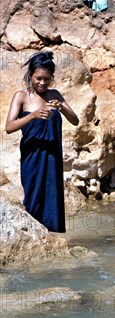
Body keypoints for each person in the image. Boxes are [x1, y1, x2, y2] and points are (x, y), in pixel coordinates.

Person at [5, 51, 79, 233]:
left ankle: (53, 237)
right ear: (30, 76)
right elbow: (9, 126)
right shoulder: (21, 96)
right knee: (33, 195)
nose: (42, 83)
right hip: (32, 156)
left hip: (53, 156)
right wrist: (33, 115)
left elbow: (75, 120)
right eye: (38, 78)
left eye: (47, 79)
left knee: (52, 195)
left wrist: (61, 107)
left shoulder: (55, 95)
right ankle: (33, 235)